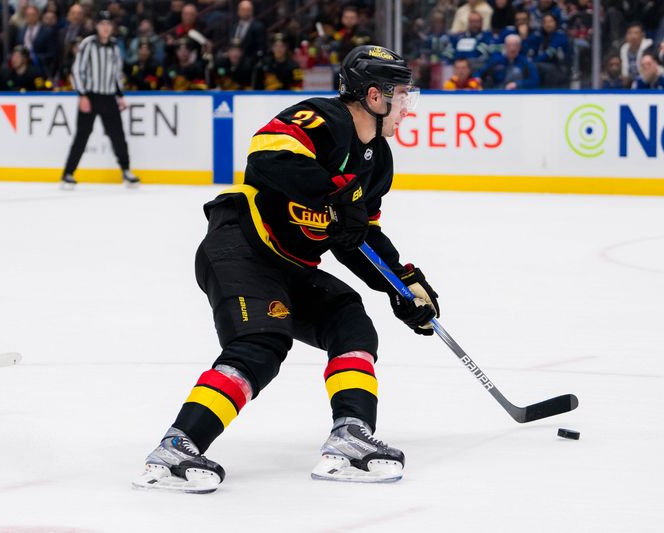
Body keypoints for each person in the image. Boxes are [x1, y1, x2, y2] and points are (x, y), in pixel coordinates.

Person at [132, 45, 433, 493]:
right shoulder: (321, 119)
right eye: (403, 96)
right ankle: (177, 447)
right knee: (261, 343)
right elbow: (267, 157)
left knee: (350, 323)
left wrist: (401, 283)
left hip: (292, 264)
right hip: (241, 247)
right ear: (374, 96)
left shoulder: (378, 163)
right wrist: (336, 192)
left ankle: (351, 436)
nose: (407, 109)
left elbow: (356, 238)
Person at [61, 11, 138, 188]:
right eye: (102, 23)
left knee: (118, 135)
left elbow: (116, 75)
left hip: (109, 97)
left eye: (108, 24)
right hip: (90, 96)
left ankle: (126, 171)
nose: (105, 27)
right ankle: (68, 173)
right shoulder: (88, 44)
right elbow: (77, 70)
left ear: (112, 27)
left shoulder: (114, 47)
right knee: (82, 136)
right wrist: (82, 95)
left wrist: (120, 96)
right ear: (97, 26)